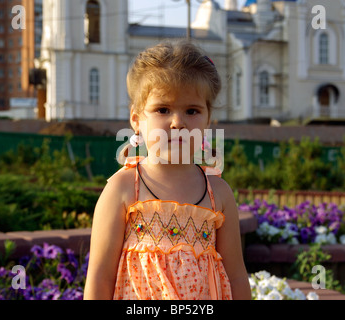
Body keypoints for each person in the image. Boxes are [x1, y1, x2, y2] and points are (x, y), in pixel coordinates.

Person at [83, 39, 252, 300]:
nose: (177, 122)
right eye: (163, 109)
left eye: (192, 111)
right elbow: (100, 277)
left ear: (208, 121)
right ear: (136, 119)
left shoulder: (219, 192)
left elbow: (237, 275)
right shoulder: (123, 188)